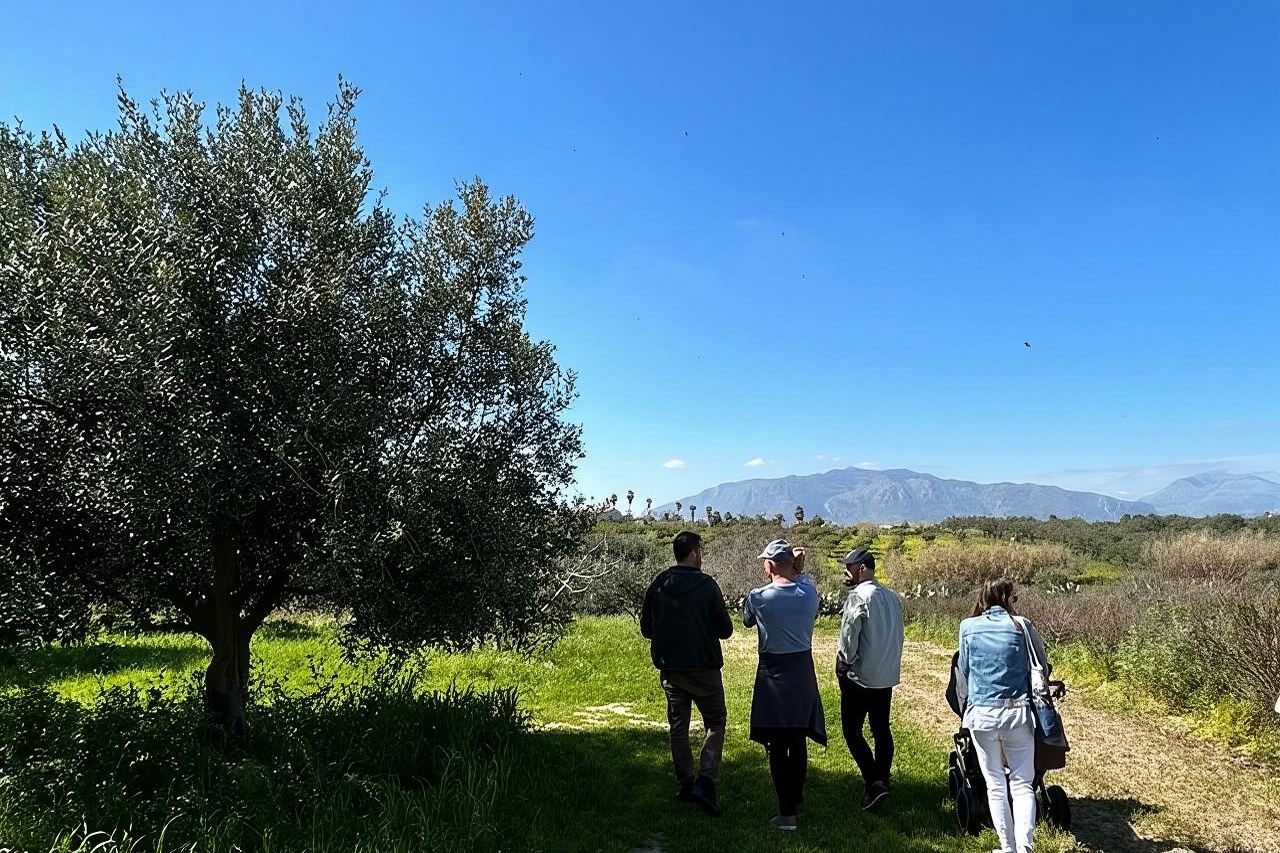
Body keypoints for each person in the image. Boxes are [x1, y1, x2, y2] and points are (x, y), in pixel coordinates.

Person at [640, 530, 733, 816]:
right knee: (715, 722)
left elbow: (646, 629)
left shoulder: (659, 583)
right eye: (700, 551)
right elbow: (725, 630)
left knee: (678, 727)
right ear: (694, 553)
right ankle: (705, 781)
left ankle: (685, 782)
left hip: (671, 669)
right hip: (704, 669)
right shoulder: (707, 586)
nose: (702, 555)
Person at [958, 579, 1053, 853]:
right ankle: (1025, 847)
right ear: (1007, 599)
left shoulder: (967, 627)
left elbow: (964, 669)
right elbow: (1042, 666)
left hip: (982, 715)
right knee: (1023, 784)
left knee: (995, 785)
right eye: (1015, 597)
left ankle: (1006, 847)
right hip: (1017, 714)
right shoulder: (1022, 625)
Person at [742, 539, 827, 831]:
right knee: (797, 738)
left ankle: (786, 813)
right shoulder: (809, 592)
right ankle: (796, 795)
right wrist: (799, 570)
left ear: (771, 564)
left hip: (773, 671)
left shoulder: (759, 596)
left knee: (778, 744)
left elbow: (747, 621)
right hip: (802, 670)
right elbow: (805, 588)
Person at [835, 547, 904, 811]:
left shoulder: (858, 598)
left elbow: (849, 639)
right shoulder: (892, 597)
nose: (847, 572)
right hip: (886, 676)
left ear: (861, 568)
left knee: (852, 731)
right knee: (881, 729)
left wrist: (843, 664)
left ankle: (874, 781)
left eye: (849, 567)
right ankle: (882, 778)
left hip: (860, 676)